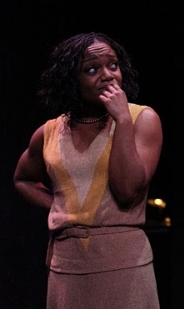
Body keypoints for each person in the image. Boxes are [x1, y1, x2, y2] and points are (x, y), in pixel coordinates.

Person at [13, 32, 163, 309]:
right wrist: (60, 207)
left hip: (123, 263)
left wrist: (121, 120)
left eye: (113, 65)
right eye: (92, 69)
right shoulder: (49, 132)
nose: (107, 75)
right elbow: (23, 179)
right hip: (66, 264)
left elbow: (127, 190)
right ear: (72, 80)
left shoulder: (141, 119)